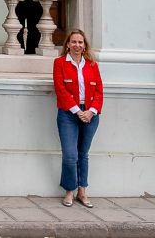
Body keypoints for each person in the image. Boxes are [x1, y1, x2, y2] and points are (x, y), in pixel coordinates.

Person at [53, 30, 103, 208]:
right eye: (73, 42)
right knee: (70, 155)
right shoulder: (59, 63)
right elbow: (60, 89)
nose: (77, 45)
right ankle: (69, 190)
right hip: (68, 114)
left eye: (80, 42)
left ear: (85, 45)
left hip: (90, 114)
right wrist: (77, 111)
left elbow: (99, 91)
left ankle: (82, 190)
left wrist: (91, 111)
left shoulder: (92, 65)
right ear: (67, 44)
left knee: (83, 154)